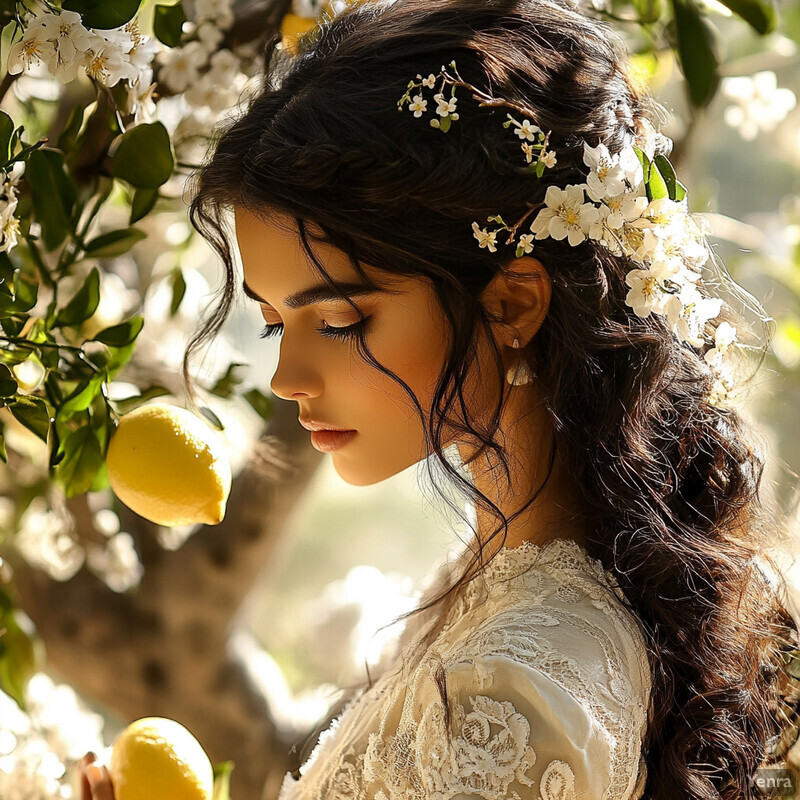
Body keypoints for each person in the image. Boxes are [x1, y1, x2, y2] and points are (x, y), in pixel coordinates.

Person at [80, 0, 800, 798]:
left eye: (341, 320)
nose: (287, 380)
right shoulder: (500, 587)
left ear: (513, 306)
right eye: (275, 320)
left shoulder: (512, 694)